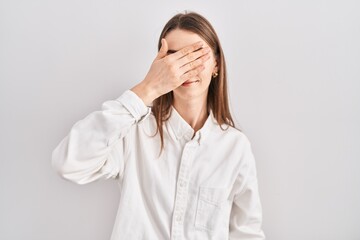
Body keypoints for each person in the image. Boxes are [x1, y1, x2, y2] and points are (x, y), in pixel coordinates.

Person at [52, 11, 266, 240]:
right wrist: (148, 88)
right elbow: (68, 163)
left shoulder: (235, 147)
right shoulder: (133, 131)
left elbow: (247, 232)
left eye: (196, 54)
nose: (185, 67)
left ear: (216, 64)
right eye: (174, 58)